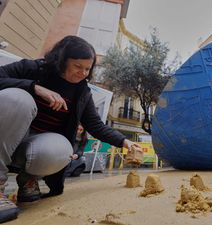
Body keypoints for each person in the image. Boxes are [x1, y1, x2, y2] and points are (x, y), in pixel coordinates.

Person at [0, 35, 140, 223]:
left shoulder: (82, 92)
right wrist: (34, 88)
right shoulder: (35, 69)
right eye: (77, 66)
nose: (83, 73)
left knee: (62, 148)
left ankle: (29, 181)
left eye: (87, 69)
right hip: (9, 136)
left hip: (34, 145)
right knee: (18, 99)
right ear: (61, 60)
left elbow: (96, 125)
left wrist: (125, 141)